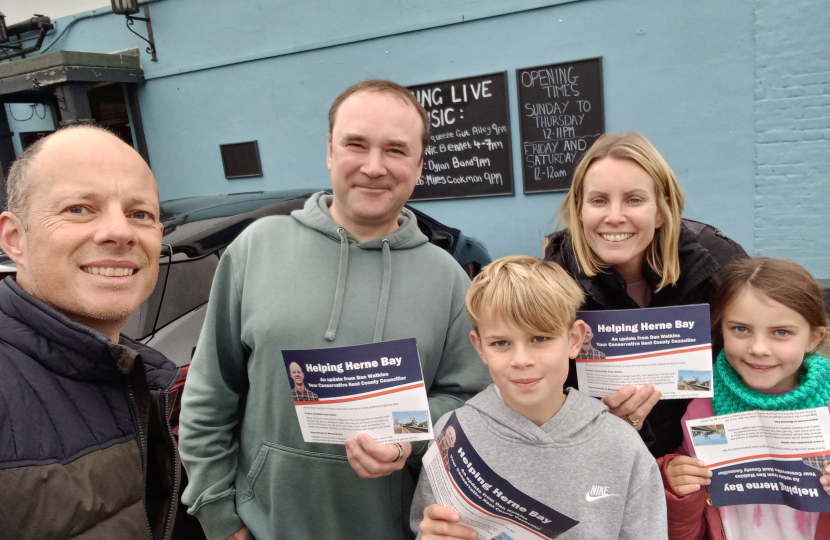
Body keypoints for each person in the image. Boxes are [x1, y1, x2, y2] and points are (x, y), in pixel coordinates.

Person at [178, 80, 491, 540]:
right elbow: (209, 395)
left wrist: (405, 434)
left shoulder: (446, 278)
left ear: (420, 165)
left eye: (396, 150)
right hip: (263, 527)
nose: (373, 166)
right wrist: (220, 518)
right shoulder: (256, 250)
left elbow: (468, 401)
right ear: (329, 150)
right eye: (356, 144)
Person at [0, 125, 180, 539]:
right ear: (15, 238)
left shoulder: (156, 382)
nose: (120, 232)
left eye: (141, 214)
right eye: (79, 208)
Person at [412, 256, 667, 540]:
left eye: (539, 338)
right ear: (479, 347)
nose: (521, 360)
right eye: (501, 343)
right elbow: (429, 525)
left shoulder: (622, 445)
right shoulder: (452, 433)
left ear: (574, 340)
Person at [544, 132, 747, 458]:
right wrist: (600, 422)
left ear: (662, 210)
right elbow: (542, 393)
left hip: (700, 460)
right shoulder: (555, 278)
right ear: (579, 211)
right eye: (598, 200)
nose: (614, 216)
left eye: (634, 200)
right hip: (603, 460)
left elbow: (757, 362)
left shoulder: (716, 264)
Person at [658, 257, 830, 539]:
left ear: (814, 337)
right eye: (741, 329)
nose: (759, 348)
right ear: (721, 329)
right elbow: (688, 527)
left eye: (781, 332)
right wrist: (673, 482)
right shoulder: (703, 406)